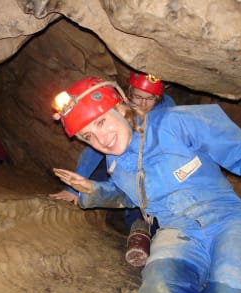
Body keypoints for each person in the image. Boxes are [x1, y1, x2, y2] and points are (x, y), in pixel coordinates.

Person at [50, 77, 241, 293]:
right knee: (158, 288)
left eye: (101, 122)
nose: (100, 139)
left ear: (121, 108)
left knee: (230, 292)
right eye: (88, 136)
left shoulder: (177, 123)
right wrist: (91, 190)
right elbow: (130, 197)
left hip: (227, 221)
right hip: (177, 231)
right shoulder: (116, 163)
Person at [50, 71, 175, 236]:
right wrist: (74, 190)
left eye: (150, 98)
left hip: (155, 164)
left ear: (159, 98)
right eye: (138, 97)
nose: (143, 103)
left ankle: (150, 230)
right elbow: (92, 154)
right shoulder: (120, 110)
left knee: (144, 191)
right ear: (129, 93)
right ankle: (138, 230)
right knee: (104, 171)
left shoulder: (168, 113)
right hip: (121, 161)